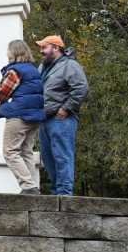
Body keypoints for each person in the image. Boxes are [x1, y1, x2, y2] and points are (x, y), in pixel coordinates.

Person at [0, 39, 46, 194]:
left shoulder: (14, 71)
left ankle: (28, 186)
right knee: (26, 151)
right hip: (35, 116)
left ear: (14, 52)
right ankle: (33, 187)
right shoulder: (33, 70)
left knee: (10, 151)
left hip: (19, 115)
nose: (6, 52)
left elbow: (2, 94)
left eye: (8, 49)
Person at [35, 35, 89, 196]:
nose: (41, 51)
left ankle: (64, 193)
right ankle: (56, 193)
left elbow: (81, 88)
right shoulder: (42, 67)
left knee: (62, 155)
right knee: (48, 158)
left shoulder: (70, 65)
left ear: (56, 48)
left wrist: (66, 109)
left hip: (62, 119)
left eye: (44, 47)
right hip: (44, 119)